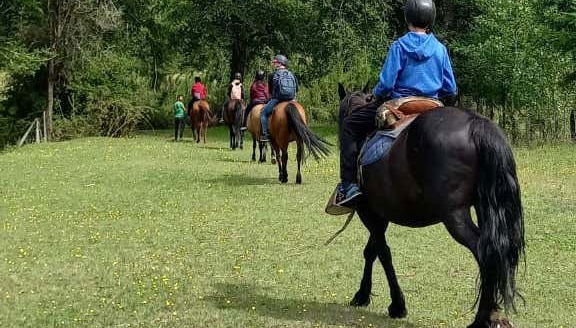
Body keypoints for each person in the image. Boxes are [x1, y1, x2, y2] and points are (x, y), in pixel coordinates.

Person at [335, 0, 458, 207]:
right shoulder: (440, 49)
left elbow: (386, 83)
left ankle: (349, 185)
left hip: (400, 104)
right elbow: (450, 88)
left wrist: (376, 94)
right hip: (432, 105)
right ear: (431, 19)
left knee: (349, 125)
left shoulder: (399, 46)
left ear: (408, 18)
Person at [260, 55, 299, 142]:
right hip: (291, 99)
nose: (274, 64)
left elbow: (270, 91)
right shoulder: (291, 74)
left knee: (263, 113)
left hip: (278, 99)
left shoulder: (273, 75)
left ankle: (265, 134)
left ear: (279, 63)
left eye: (275, 62)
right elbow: (297, 88)